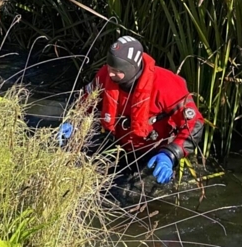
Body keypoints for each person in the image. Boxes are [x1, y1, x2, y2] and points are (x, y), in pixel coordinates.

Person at [60, 36, 204, 190]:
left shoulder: (166, 85)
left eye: (117, 71)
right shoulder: (104, 76)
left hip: (154, 153)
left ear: (131, 68)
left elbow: (195, 123)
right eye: (109, 68)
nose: (111, 74)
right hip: (116, 143)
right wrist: (73, 122)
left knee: (134, 195)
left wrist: (171, 154)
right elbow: (86, 103)